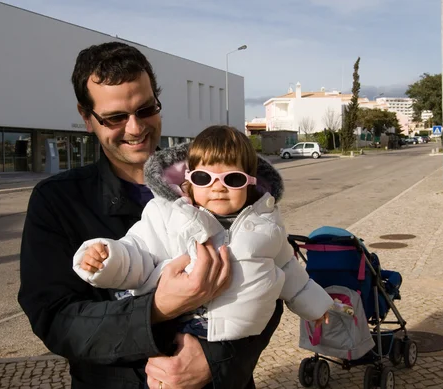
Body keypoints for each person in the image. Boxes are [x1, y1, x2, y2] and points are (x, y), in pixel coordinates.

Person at [18, 41, 284, 389]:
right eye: (115, 117)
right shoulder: (59, 201)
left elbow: (271, 282)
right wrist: (157, 307)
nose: (134, 128)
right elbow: (54, 319)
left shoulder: (217, 178)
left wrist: (214, 362)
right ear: (87, 118)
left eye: (145, 109)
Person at [74, 125, 333, 344]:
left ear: (250, 182)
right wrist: (106, 258)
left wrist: (315, 306)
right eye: (203, 177)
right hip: (181, 326)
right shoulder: (168, 214)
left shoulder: (266, 221)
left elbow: (288, 268)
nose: (218, 188)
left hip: (241, 340)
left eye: (232, 179)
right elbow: (138, 251)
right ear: (188, 179)